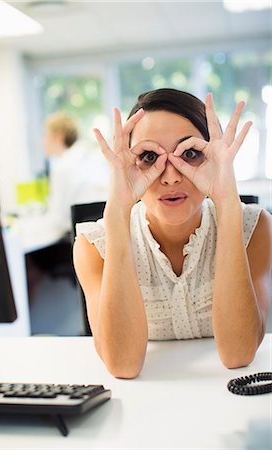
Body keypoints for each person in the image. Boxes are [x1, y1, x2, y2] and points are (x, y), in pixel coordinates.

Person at [73, 88, 272, 379]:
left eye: (190, 154)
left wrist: (227, 203)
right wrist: (117, 213)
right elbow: (123, 365)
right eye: (149, 156)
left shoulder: (255, 229)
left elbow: (238, 355)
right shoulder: (94, 245)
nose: (171, 176)